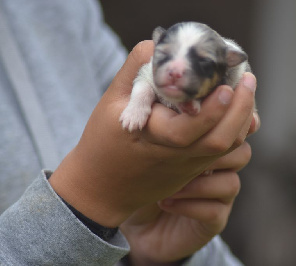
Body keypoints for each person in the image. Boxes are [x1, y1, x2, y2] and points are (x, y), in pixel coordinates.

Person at [0, 0, 259, 265]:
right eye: (166, 56)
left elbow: (131, 98)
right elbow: (142, 86)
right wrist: (92, 198)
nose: (175, 71)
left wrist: (156, 255)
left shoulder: (62, 8)